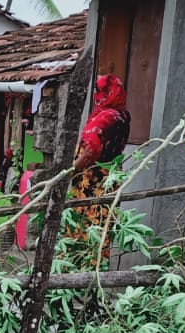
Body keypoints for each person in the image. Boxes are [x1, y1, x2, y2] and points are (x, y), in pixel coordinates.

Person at [69, 74, 132, 267]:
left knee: (83, 229)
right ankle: (94, 275)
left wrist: (71, 169)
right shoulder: (123, 115)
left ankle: (75, 277)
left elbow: (91, 150)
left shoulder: (106, 117)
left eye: (101, 91)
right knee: (101, 228)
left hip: (92, 181)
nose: (97, 95)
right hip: (109, 179)